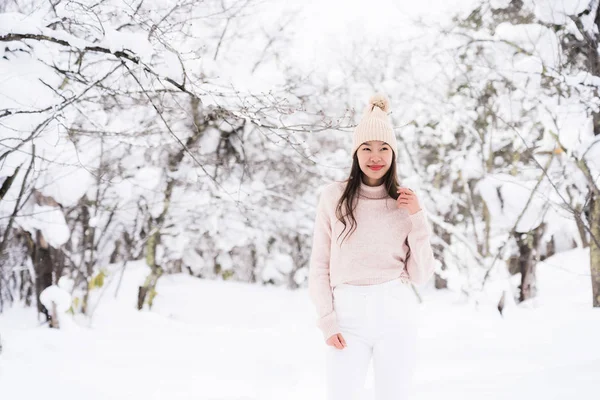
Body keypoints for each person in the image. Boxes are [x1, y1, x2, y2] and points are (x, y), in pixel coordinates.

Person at [308, 93, 436, 400]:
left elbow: (422, 275)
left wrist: (418, 218)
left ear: (393, 154)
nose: (375, 156)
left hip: (395, 314)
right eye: (366, 148)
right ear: (355, 153)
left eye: (383, 148)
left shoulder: (404, 203)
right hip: (347, 317)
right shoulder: (333, 197)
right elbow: (319, 264)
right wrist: (327, 320)